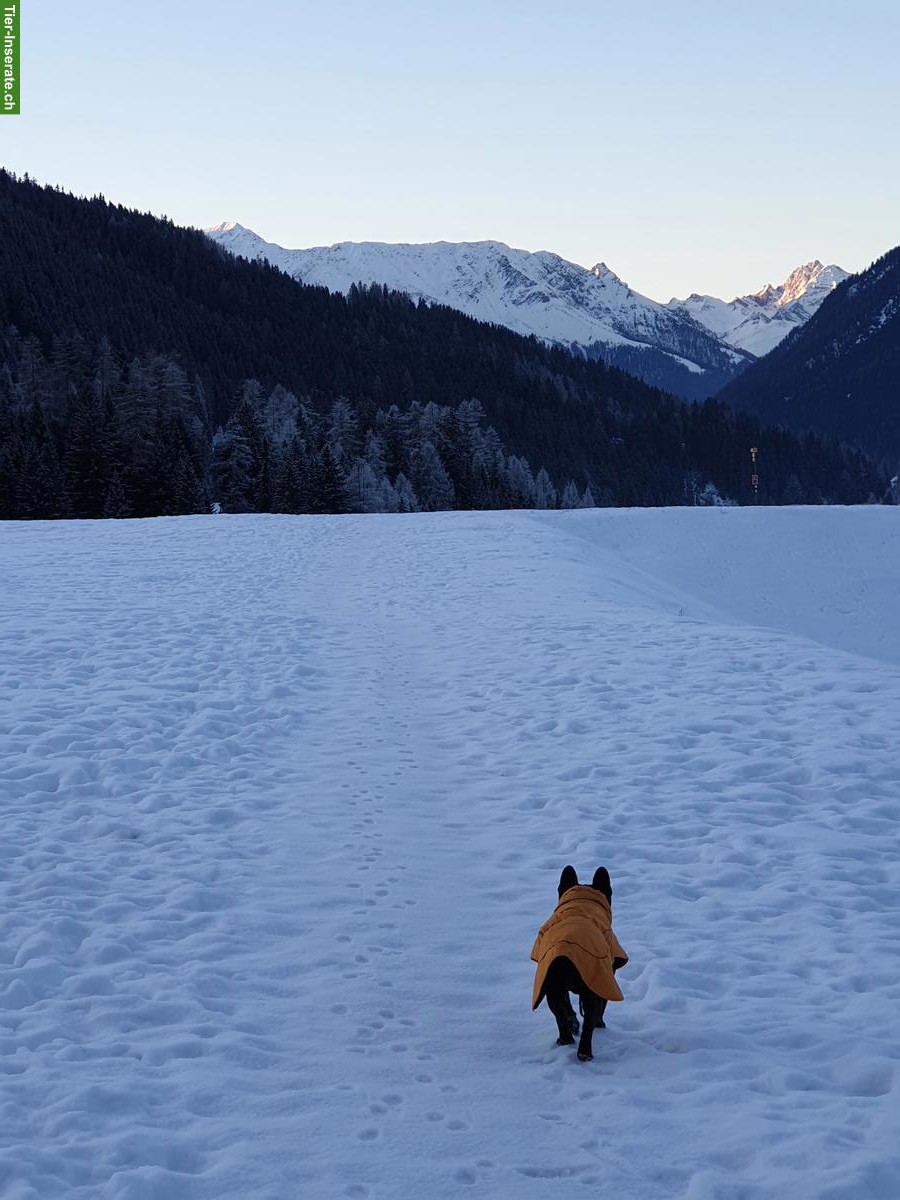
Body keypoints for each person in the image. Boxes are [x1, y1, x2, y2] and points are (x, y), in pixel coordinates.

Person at [531, 865, 628, 1061]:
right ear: (607, 896)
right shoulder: (599, 919)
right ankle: (586, 1042)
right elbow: (615, 960)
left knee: (554, 984)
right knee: (597, 981)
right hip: (588, 950)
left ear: (562, 893)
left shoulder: (557, 918)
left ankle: (565, 1032)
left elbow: (541, 943)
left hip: (557, 951)